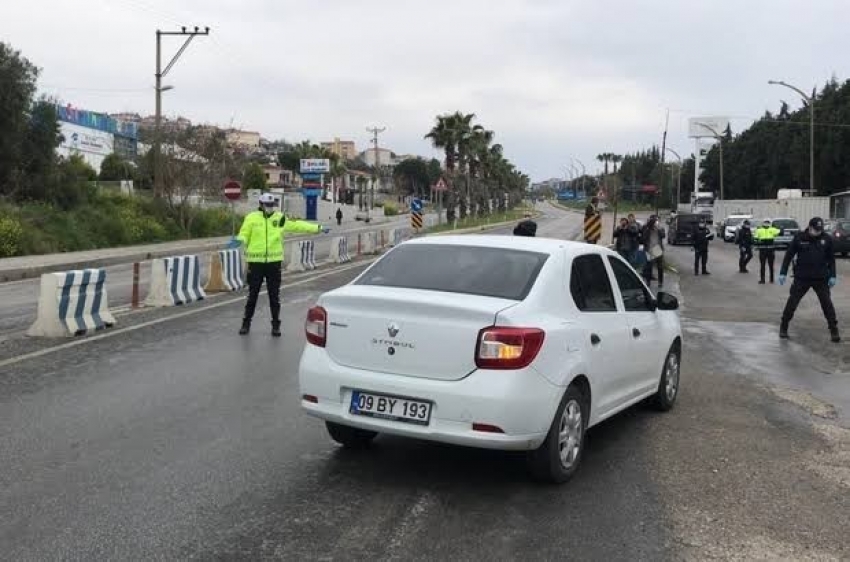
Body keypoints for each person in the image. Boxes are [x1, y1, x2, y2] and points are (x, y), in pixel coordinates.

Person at [229, 193, 330, 337]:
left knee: (274, 296)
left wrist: (318, 228)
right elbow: (244, 234)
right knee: (252, 296)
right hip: (255, 263)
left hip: (274, 264)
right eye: (267, 205)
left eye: (272, 205)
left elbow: (297, 225)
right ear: (261, 204)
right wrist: (239, 240)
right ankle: (246, 323)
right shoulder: (251, 218)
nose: (270, 208)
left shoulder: (280, 218)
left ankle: (276, 325)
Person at [778, 217, 839, 342]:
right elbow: (789, 255)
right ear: (810, 227)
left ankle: (834, 330)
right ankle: (784, 327)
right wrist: (783, 272)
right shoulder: (799, 238)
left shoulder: (826, 239)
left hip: (821, 278)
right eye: (816, 229)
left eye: (820, 229)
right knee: (792, 302)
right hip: (802, 277)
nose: (819, 232)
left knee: (827, 304)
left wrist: (833, 275)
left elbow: (831, 259)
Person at [640, 215, 666, 288]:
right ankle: (648, 282)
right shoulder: (647, 228)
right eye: (654, 221)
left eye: (656, 221)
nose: (656, 223)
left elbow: (663, 236)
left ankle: (660, 282)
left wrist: (658, 229)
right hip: (650, 249)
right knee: (649, 266)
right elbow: (643, 238)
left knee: (660, 267)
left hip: (657, 249)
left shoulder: (660, 228)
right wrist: (648, 229)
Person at [754, 219, 780, 284]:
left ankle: (771, 279)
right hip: (763, 250)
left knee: (771, 265)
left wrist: (778, 228)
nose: (766, 223)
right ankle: (762, 279)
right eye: (765, 222)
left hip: (770, 250)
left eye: (767, 222)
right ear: (763, 223)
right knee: (762, 265)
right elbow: (755, 238)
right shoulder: (759, 230)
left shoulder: (772, 229)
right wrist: (758, 242)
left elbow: (779, 231)